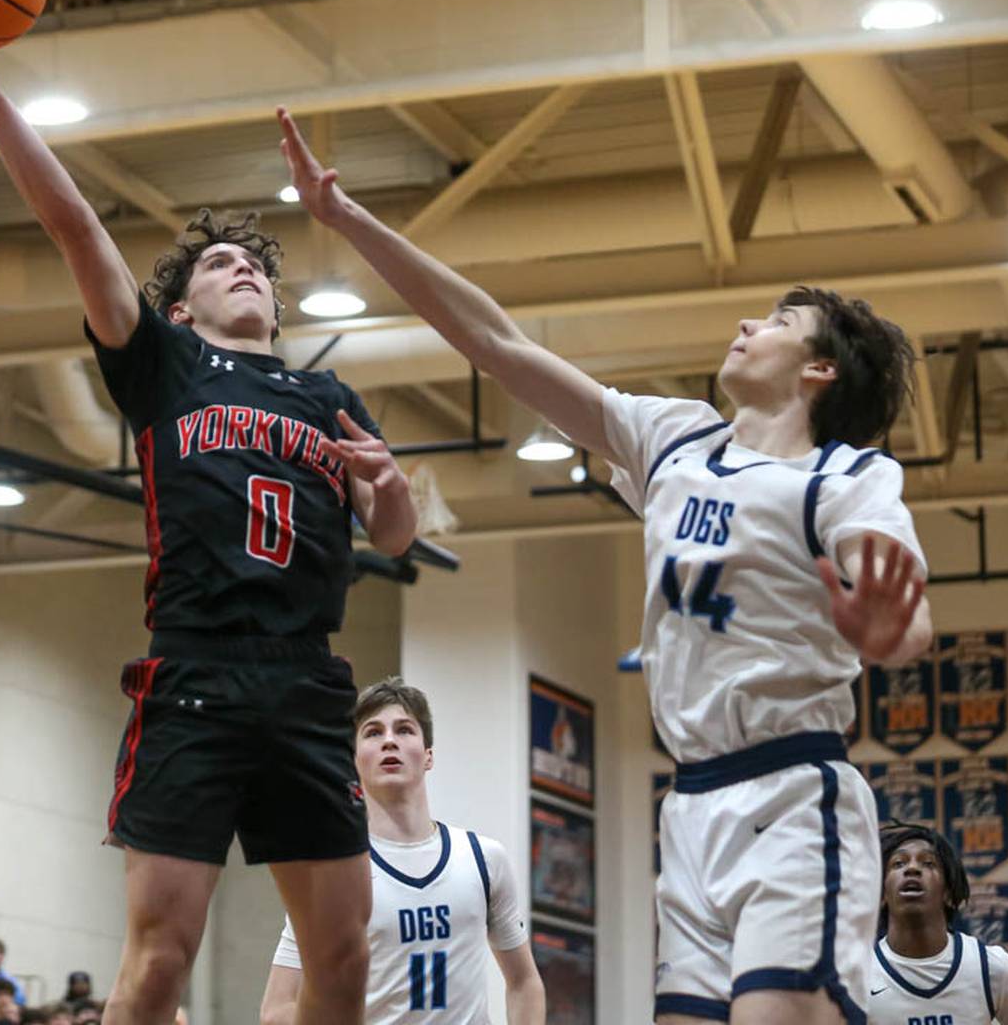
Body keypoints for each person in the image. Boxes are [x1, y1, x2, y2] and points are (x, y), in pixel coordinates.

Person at [277, 108, 932, 1025]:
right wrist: (348, 221)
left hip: (793, 794)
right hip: (690, 802)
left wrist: (886, 628)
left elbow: (909, 615)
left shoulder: (846, 477)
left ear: (819, 371)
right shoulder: (674, 441)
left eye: (779, 320)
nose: (749, 322)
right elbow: (499, 345)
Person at [0, 0, 419, 1025]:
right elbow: (74, 225)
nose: (245, 274)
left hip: (309, 681)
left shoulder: (325, 398)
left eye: (257, 271)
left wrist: (396, 489)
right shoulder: (166, 366)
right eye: (221, 265)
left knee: (347, 954)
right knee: (158, 962)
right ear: (179, 307)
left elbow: (395, 538)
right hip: (195, 672)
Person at [261, 679, 544, 1025]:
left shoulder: (483, 858)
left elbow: (525, 982)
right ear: (354, 761)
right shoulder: (336, 874)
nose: (390, 740)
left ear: (428, 756)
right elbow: (278, 1009)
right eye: (373, 732)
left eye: (405, 729)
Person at [868, 823, 1008, 1023]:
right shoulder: (860, 977)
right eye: (899, 863)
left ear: (948, 892)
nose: (912, 868)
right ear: (882, 894)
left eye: (928, 863)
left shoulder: (991, 967)